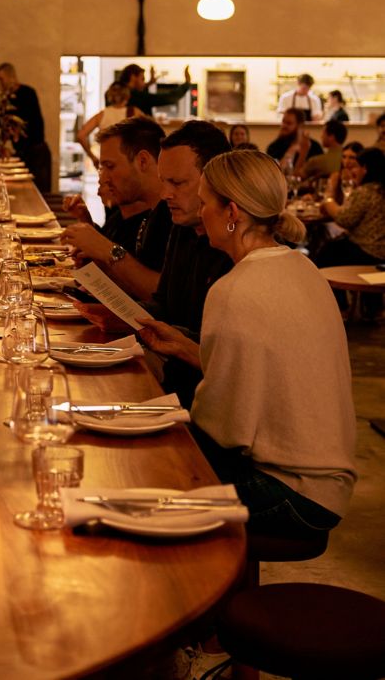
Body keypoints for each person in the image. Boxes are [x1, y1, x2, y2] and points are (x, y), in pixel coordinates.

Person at [138, 149, 356, 540]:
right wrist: (190, 350)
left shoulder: (234, 289)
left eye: (205, 203)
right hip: (329, 486)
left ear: (232, 212)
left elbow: (223, 426)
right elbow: (275, 373)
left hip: (288, 491)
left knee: (145, 486)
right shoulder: (303, 268)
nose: (200, 215)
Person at [150, 121, 232, 406]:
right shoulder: (182, 228)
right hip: (174, 386)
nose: (165, 195)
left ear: (216, 181)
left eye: (178, 183)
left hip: (213, 403)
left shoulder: (237, 248)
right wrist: (120, 314)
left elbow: (234, 362)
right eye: (163, 181)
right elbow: (164, 305)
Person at [61, 116, 171, 303]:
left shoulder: (173, 213)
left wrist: (107, 250)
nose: (104, 178)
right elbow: (133, 285)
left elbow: (162, 296)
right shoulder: (155, 213)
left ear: (143, 161)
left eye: (109, 166)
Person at [317, 146, 385, 273]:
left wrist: (328, 201)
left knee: (325, 254)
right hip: (380, 251)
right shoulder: (380, 189)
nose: (354, 171)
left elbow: (344, 219)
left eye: (356, 166)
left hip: (368, 251)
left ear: (364, 169)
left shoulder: (366, 191)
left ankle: (332, 291)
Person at [0, 62, 51, 192]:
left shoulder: (28, 94)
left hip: (36, 152)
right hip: (22, 151)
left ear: (10, 76)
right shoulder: (5, 98)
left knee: (39, 192)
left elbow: (31, 124)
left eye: (1, 79)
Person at [74, 82, 133, 170]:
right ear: (127, 96)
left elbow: (80, 136)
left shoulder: (102, 115)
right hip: (127, 161)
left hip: (107, 163)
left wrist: (93, 157)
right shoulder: (133, 113)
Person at [118, 62, 192, 118]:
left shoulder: (116, 92)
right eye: (142, 79)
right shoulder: (135, 96)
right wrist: (187, 84)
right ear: (133, 77)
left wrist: (149, 83)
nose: (144, 83)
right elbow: (169, 98)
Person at [296, 118, 347, 183]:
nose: (321, 136)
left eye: (323, 133)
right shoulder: (350, 160)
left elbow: (296, 179)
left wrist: (304, 151)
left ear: (331, 137)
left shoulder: (317, 161)